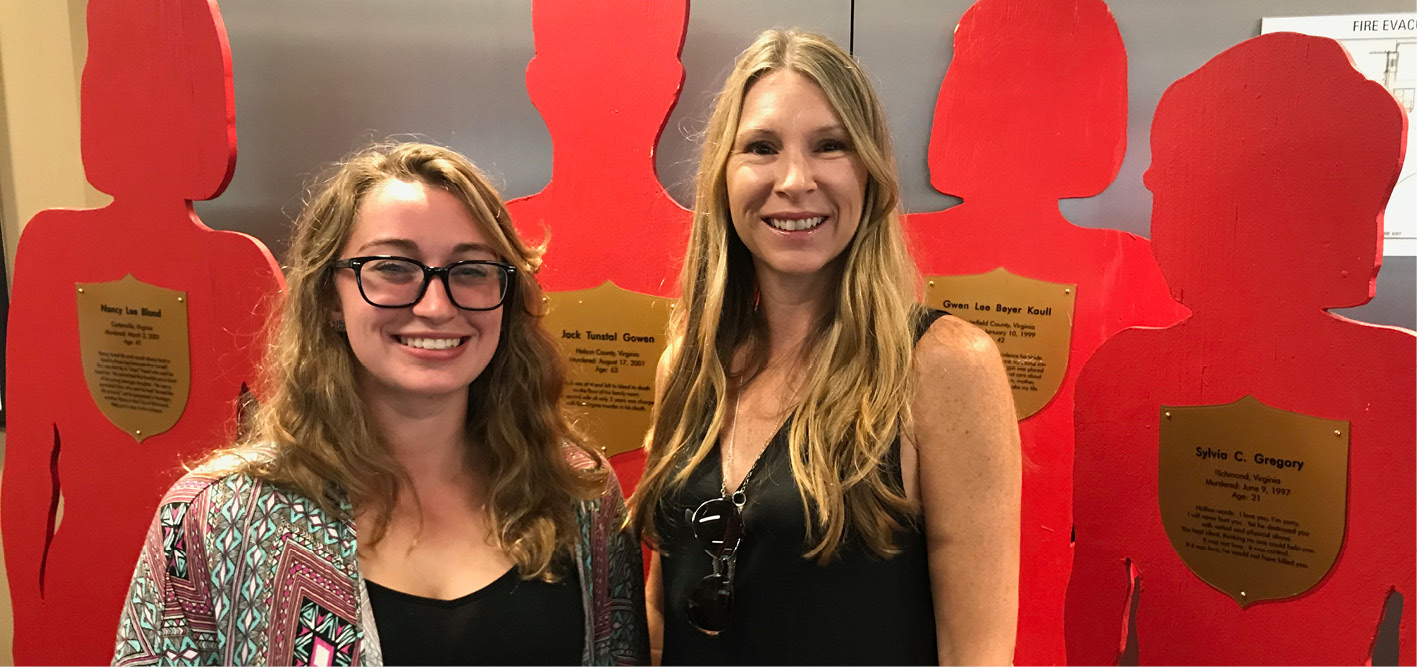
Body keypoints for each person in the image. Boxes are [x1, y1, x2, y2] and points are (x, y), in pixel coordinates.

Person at [112, 142, 649, 666]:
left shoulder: (577, 495)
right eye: (393, 268)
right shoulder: (213, 518)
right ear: (329, 298)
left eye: (472, 271)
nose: (436, 307)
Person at [629, 30, 1021, 665]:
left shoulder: (943, 365)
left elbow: (975, 654)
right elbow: (660, 608)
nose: (793, 180)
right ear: (723, 179)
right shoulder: (688, 366)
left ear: (868, 171)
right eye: (760, 147)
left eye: (829, 146)